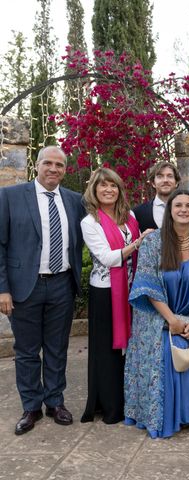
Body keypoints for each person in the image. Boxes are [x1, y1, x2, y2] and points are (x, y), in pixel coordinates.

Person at [0, 146, 85, 435]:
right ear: (37, 166)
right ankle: (31, 406)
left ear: (65, 170)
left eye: (59, 165)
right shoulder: (11, 196)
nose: (53, 169)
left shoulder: (74, 201)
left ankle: (55, 401)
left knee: (57, 348)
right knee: (25, 351)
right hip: (26, 286)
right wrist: (3, 290)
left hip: (62, 283)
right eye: (48, 163)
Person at [124, 189, 189, 438]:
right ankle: (165, 418)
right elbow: (148, 286)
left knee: (188, 356)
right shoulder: (153, 242)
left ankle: (188, 415)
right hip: (160, 319)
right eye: (178, 205)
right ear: (170, 210)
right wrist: (172, 320)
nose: (184, 210)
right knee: (168, 355)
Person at [80, 168, 152, 424]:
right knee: (108, 350)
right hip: (105, 292)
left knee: (129, 348)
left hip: (131, 289)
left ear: (119, 189)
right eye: (103, 186)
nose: (109, 190)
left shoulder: (129, 215)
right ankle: (110, 407)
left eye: (113, 185)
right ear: (95, 190)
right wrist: (137, 243)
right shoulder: (90, 222)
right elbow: (108, 257)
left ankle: (128, 399)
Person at [133, 161, 181, 231]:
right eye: (160, 176)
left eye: (170, 176)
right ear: (153, 183)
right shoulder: (138, 212)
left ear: (176, 182)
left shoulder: (188, 210)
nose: (165, 180)